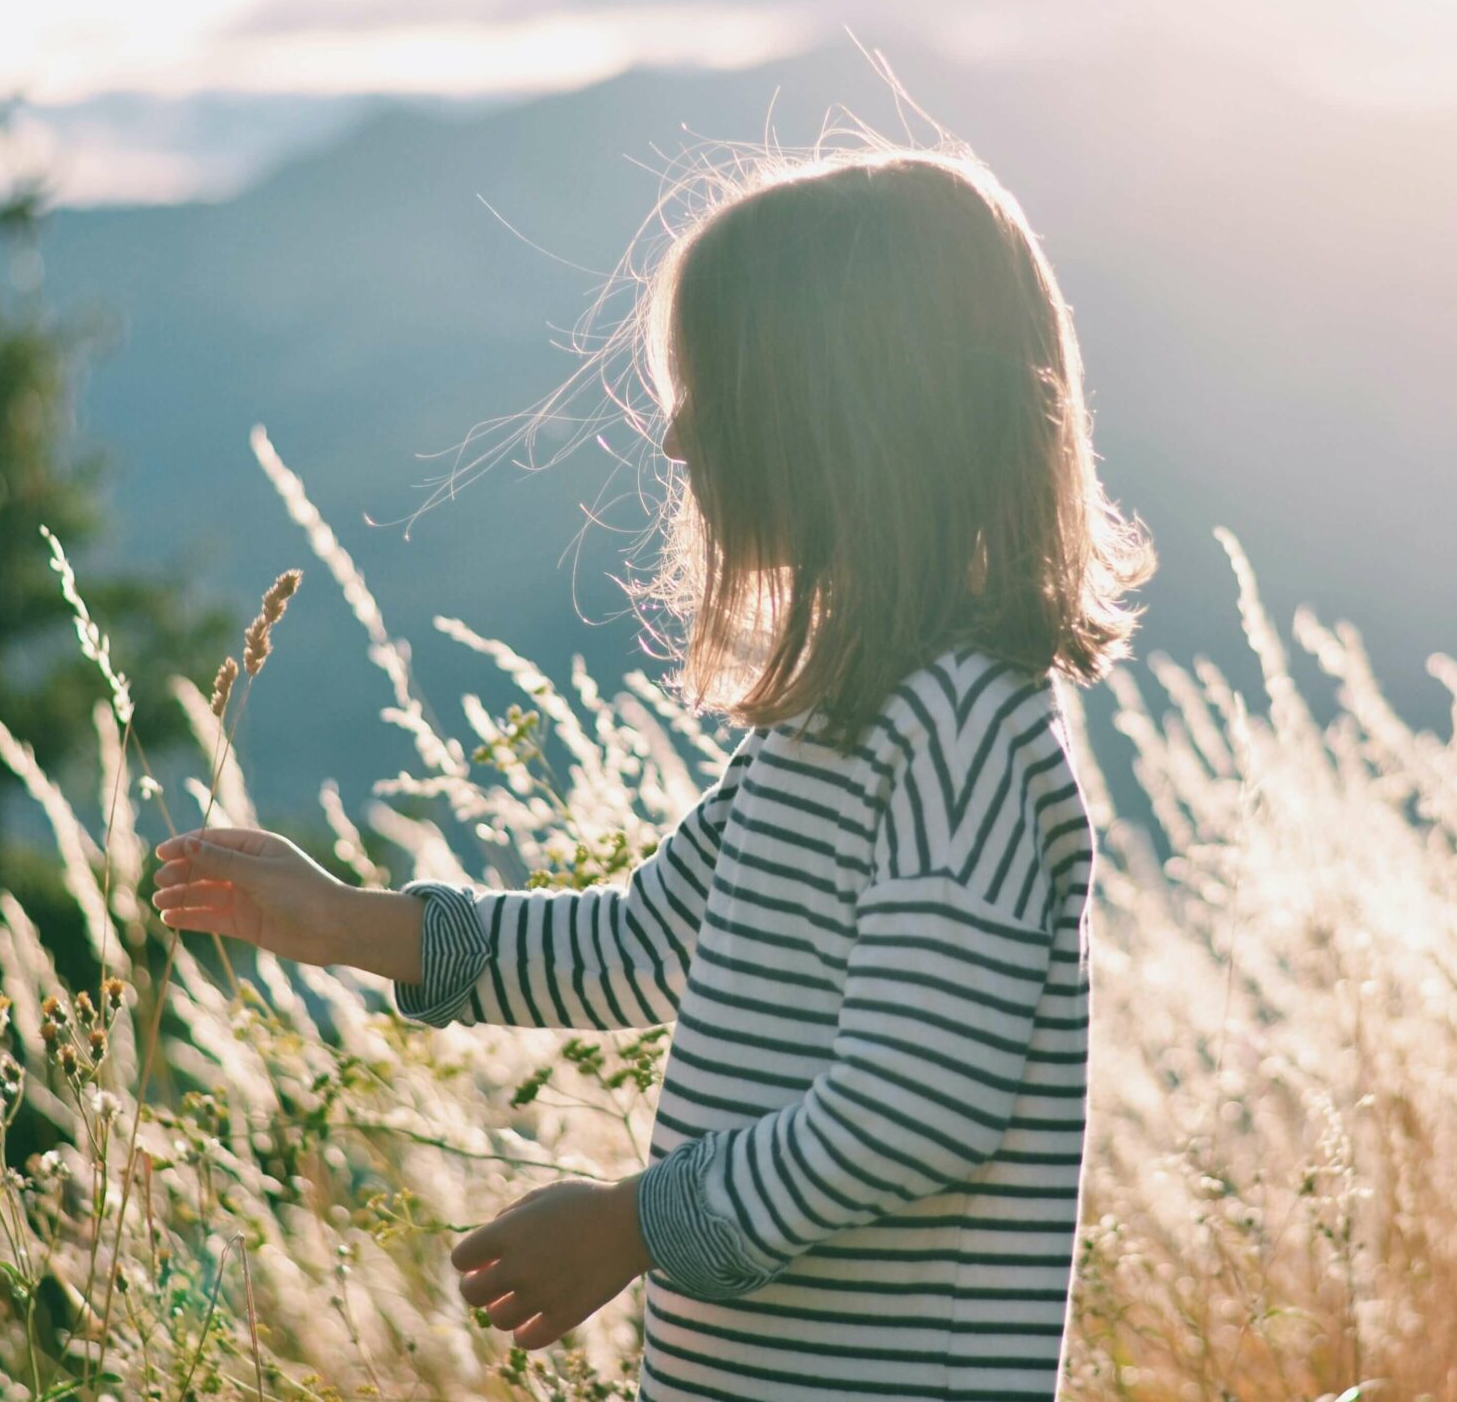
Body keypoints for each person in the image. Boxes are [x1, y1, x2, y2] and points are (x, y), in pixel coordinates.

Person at [150, 140, 1152, 1400]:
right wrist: (349, 922)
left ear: (849, 415)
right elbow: (645, 939)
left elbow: (913, 1109)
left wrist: (630, 1223)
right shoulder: (830, 723)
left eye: (714, 391)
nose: (677, 438)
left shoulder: (962, 731)